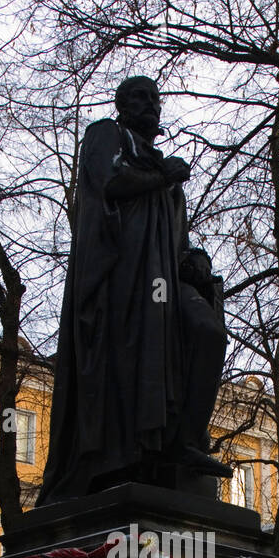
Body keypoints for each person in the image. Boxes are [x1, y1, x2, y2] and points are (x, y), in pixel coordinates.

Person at [37, 76, 231, 504]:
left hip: (162, 280)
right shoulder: (107, 135)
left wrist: (193, 261)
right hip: (120, 280)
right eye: (141, 98)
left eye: (156, 99)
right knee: (130, 366)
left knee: (209, 332)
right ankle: (125, 458)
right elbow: (110, 181)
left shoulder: (166, 176)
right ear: (122, 105)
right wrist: (163, 174)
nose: (151, 106)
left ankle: (185, 443)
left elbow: (174, 241)